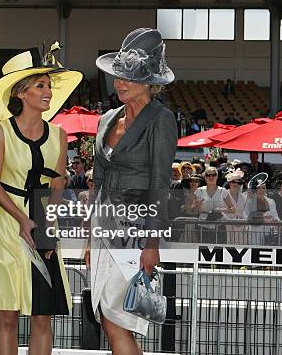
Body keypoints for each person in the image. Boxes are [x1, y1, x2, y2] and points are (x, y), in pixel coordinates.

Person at [0, 44, 81, 355]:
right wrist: (21, 218)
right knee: (9, 315)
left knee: (43, 315)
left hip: (42, 224)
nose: (48, 91)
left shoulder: (59, 135)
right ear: (20, 93)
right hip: (10, 228)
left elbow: (57, 183)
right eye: (40, 85)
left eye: (49, 85)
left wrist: (46, 224)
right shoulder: (0, 132)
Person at [88, 28, 178, 351]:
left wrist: (151, 244)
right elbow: (98, 181)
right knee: (107, 317)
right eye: (118, 74)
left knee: (116, 319)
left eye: (129, 76)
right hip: (103, 230)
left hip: (135, 231)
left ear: (149, 81)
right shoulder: (106, 119)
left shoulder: (161, 120)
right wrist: (89, 237)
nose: (120, 82)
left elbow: (159, 186)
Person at [223, 169, 247, 244]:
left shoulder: (244, 197)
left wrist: (243, 220)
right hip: (227, 227)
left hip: (242, 227)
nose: (235, 184)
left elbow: (246, 212)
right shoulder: (223, 195)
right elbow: (221, 211)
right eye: (233, 182)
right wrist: (230, 221)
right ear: (229, 183)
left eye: (238, 182)